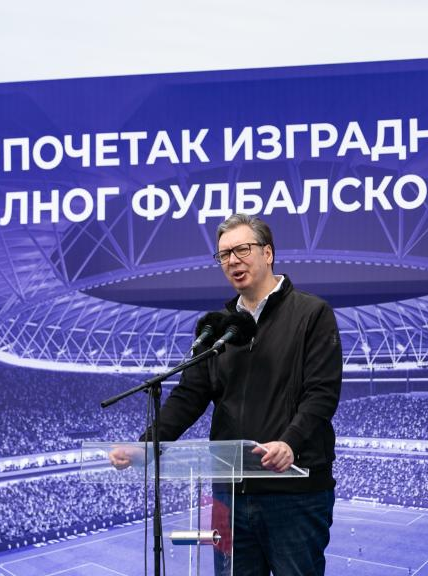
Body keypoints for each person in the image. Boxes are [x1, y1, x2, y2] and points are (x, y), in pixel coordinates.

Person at [110, 213, 343, 576]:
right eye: (223, 255)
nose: (232, 260)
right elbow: (189, 395)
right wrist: (148, 444)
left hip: (294, 492)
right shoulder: (218, 328)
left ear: (268, 253)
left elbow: (322, 394)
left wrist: (290, 442)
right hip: (230, 494)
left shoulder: (311, 314)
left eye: (242, 249)